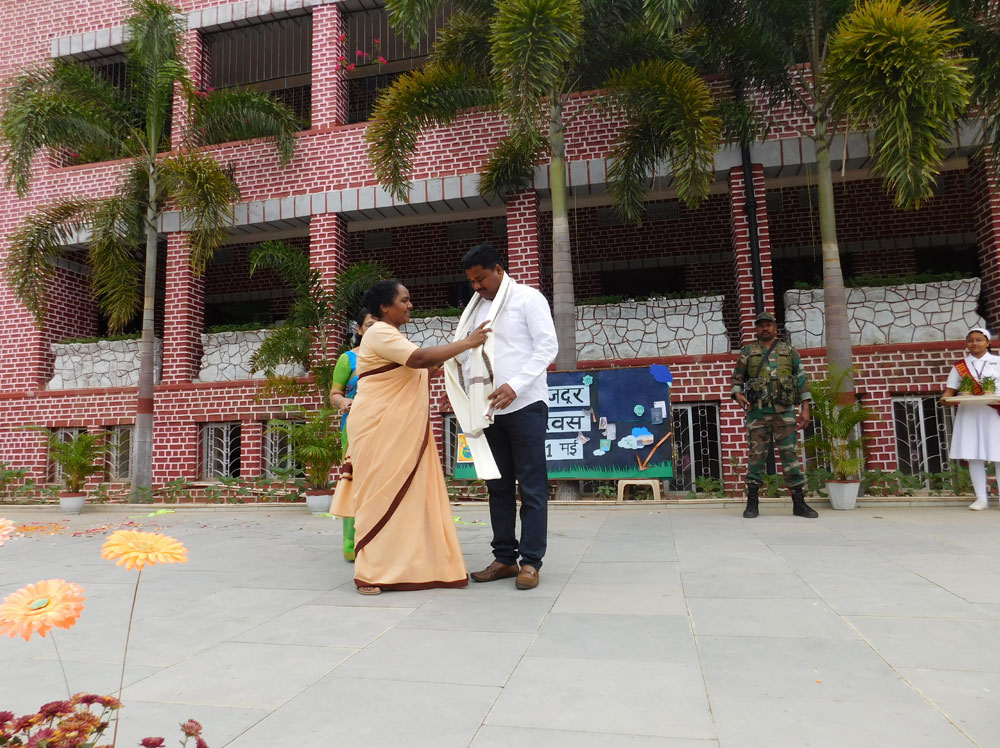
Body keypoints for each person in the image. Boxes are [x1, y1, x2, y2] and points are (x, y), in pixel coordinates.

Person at [331, 279, 489, 595]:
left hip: (398, 429)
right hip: (378, 428)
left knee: (408, 500)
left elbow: (419, 371)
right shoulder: (379, 332)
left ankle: (413, 567)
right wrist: (466, 343)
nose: (410, 305)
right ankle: (370, 573)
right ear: (385, 306)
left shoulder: (391, 336)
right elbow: (418, 360)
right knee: (379, 499)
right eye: (404, 300)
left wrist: (450, 354)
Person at [444, 244, 558, 590]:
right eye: (471, 281)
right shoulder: (475, 309)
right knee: (497, 486)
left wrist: (515, 385)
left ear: (498, 270)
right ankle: (504, 559)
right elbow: (469, 354)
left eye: (481, 279)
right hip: (488, 410)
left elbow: (547, 347)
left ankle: (531, 562)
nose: (476, 286)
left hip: (526, 405)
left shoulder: (528, 298)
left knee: (532, 487)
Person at [730, 311, 818, 519]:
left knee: (790, 456)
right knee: (756, 456)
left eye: (768, 324)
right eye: (761, 325)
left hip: (784, 412)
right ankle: (752, 503)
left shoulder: (789, 351)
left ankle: (799, 503)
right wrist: (737, 394)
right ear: (756, 328)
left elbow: (802, 379)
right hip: (757, 413)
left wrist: (805, 408)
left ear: (774, 327)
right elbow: (736, 379)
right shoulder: (748, 352)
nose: (765, 328)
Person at [329, 307, 377, 561]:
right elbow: (334, 394)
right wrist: (343, 402)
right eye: (369, 325)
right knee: (355, 482)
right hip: (355, 427)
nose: (375, 329)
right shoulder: (348, 359)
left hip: (388, 426)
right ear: (359, 329)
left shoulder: (393, 356)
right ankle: (352, 543)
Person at [941, 327, 1000, 510]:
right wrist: (944, 400)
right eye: (970, 340)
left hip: (994, 412)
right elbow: (950, 390)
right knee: (974, 455)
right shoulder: (960, 366)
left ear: (988, 342)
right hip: (970, 413)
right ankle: (981, 499)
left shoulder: (998, 362)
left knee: (999, 455)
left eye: (979, 340)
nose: (974, 343)